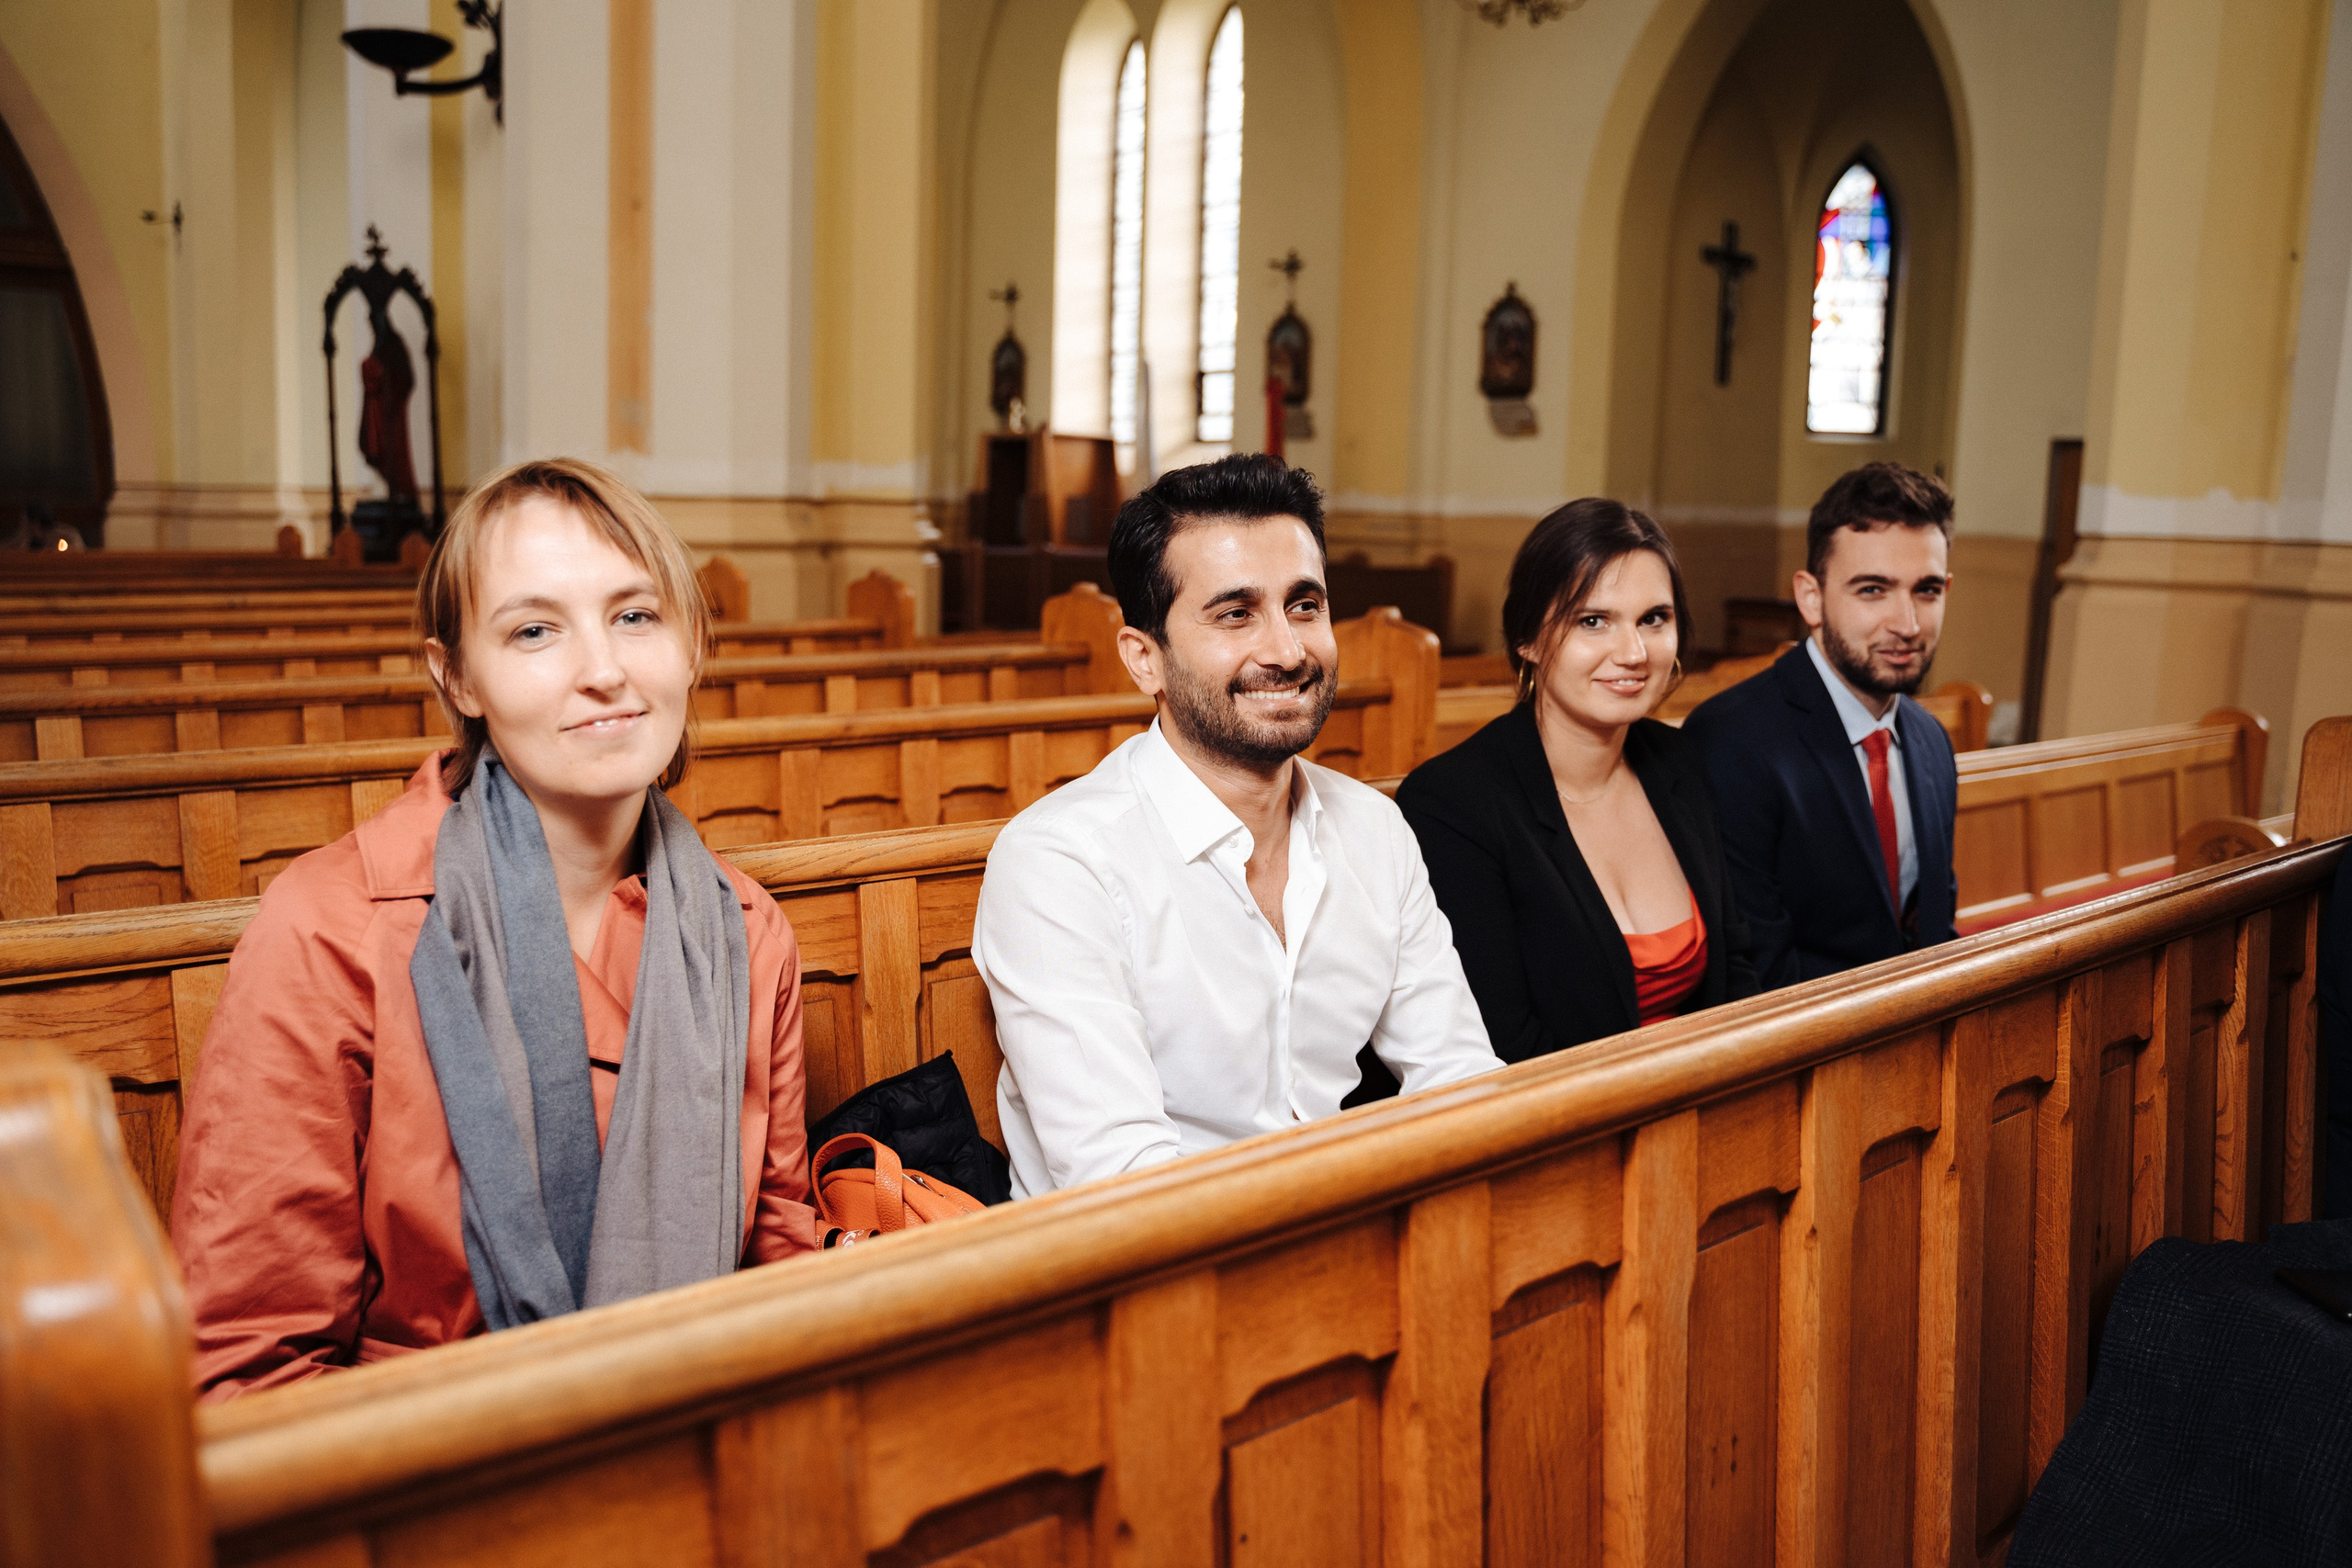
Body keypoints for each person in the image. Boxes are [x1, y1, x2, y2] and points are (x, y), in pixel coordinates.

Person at [171, 458, 820, 1400]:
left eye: (636, 616)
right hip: (424, 1481)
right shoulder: (333, 931)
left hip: (703, 1441)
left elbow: (784, 1274)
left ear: (690, 646)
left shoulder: (744, 932)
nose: (604, 671)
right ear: (458, 677)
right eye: (534, 631)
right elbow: (242, 1363)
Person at [972, 454, 1500, 1197]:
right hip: (1125, 1279)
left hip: (1338, 1242)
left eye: (1305, 605)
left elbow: (1462, 1081)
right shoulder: (1060, 862)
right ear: (1144, 659)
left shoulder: (1376, 832)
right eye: (1235, 613)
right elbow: (1123, 1182)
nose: (1286, 650)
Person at [1396, 500, 1758, 1061]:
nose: (1634, 653)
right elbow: (1503, 1042)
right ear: (1529, 639)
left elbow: (1736, 970)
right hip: (1558, 1126)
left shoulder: (1679, 763)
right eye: (1594, 621)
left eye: (1653, 619)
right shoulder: (1454, 805)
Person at [1680, 461, 1960, 989]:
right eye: (1873, 590)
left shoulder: (1929, 741)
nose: (1907, 624)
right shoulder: (1731, 742)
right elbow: (1756, 970)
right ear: (1811, 597)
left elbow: (1931, 934)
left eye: (1926, 590)